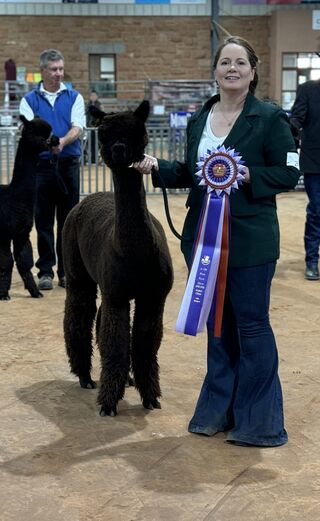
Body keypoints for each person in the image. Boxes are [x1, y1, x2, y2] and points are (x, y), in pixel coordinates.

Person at [135, 36, 300, 447]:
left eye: (240, 62)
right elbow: (194, 174)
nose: (232, 69)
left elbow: (287, 173)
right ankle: (217, 411)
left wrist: (247, 176)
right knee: (218, 327)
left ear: (253, 71)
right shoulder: (199, 118)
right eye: (225, 62)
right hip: (203, 240)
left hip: (250, 242)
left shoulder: (269, 118)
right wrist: (158, 166)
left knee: (253, 326)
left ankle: (259, 422)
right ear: (215, 71)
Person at [19, 49, 85, 290]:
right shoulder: (29, 100)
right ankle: (45, 270)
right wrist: (48, 144)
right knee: (43, 220)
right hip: (41, 168)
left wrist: (62, 143)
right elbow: (28, 130)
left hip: (68, 166)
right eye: (54, 69)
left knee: (69, 221)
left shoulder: (74, 96)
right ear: (43, 71)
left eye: (61, 68)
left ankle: (67, 271)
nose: (59, 73)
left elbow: (78, 126)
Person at [290, 79, 320, 281]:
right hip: (315, 162)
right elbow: (296, 120)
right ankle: (312, 261)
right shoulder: (308, 89)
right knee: (317, 212)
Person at [85, 90, 102, 163]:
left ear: (97, 96)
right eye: (92, 95)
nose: (93, 97)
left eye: (94, 95)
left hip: (97, 128)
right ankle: (91, 159)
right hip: (89, 127)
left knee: (97, 144)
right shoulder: (88, 105)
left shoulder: (99, 105)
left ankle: (96, 160)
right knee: (90, 144)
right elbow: (86, 115)